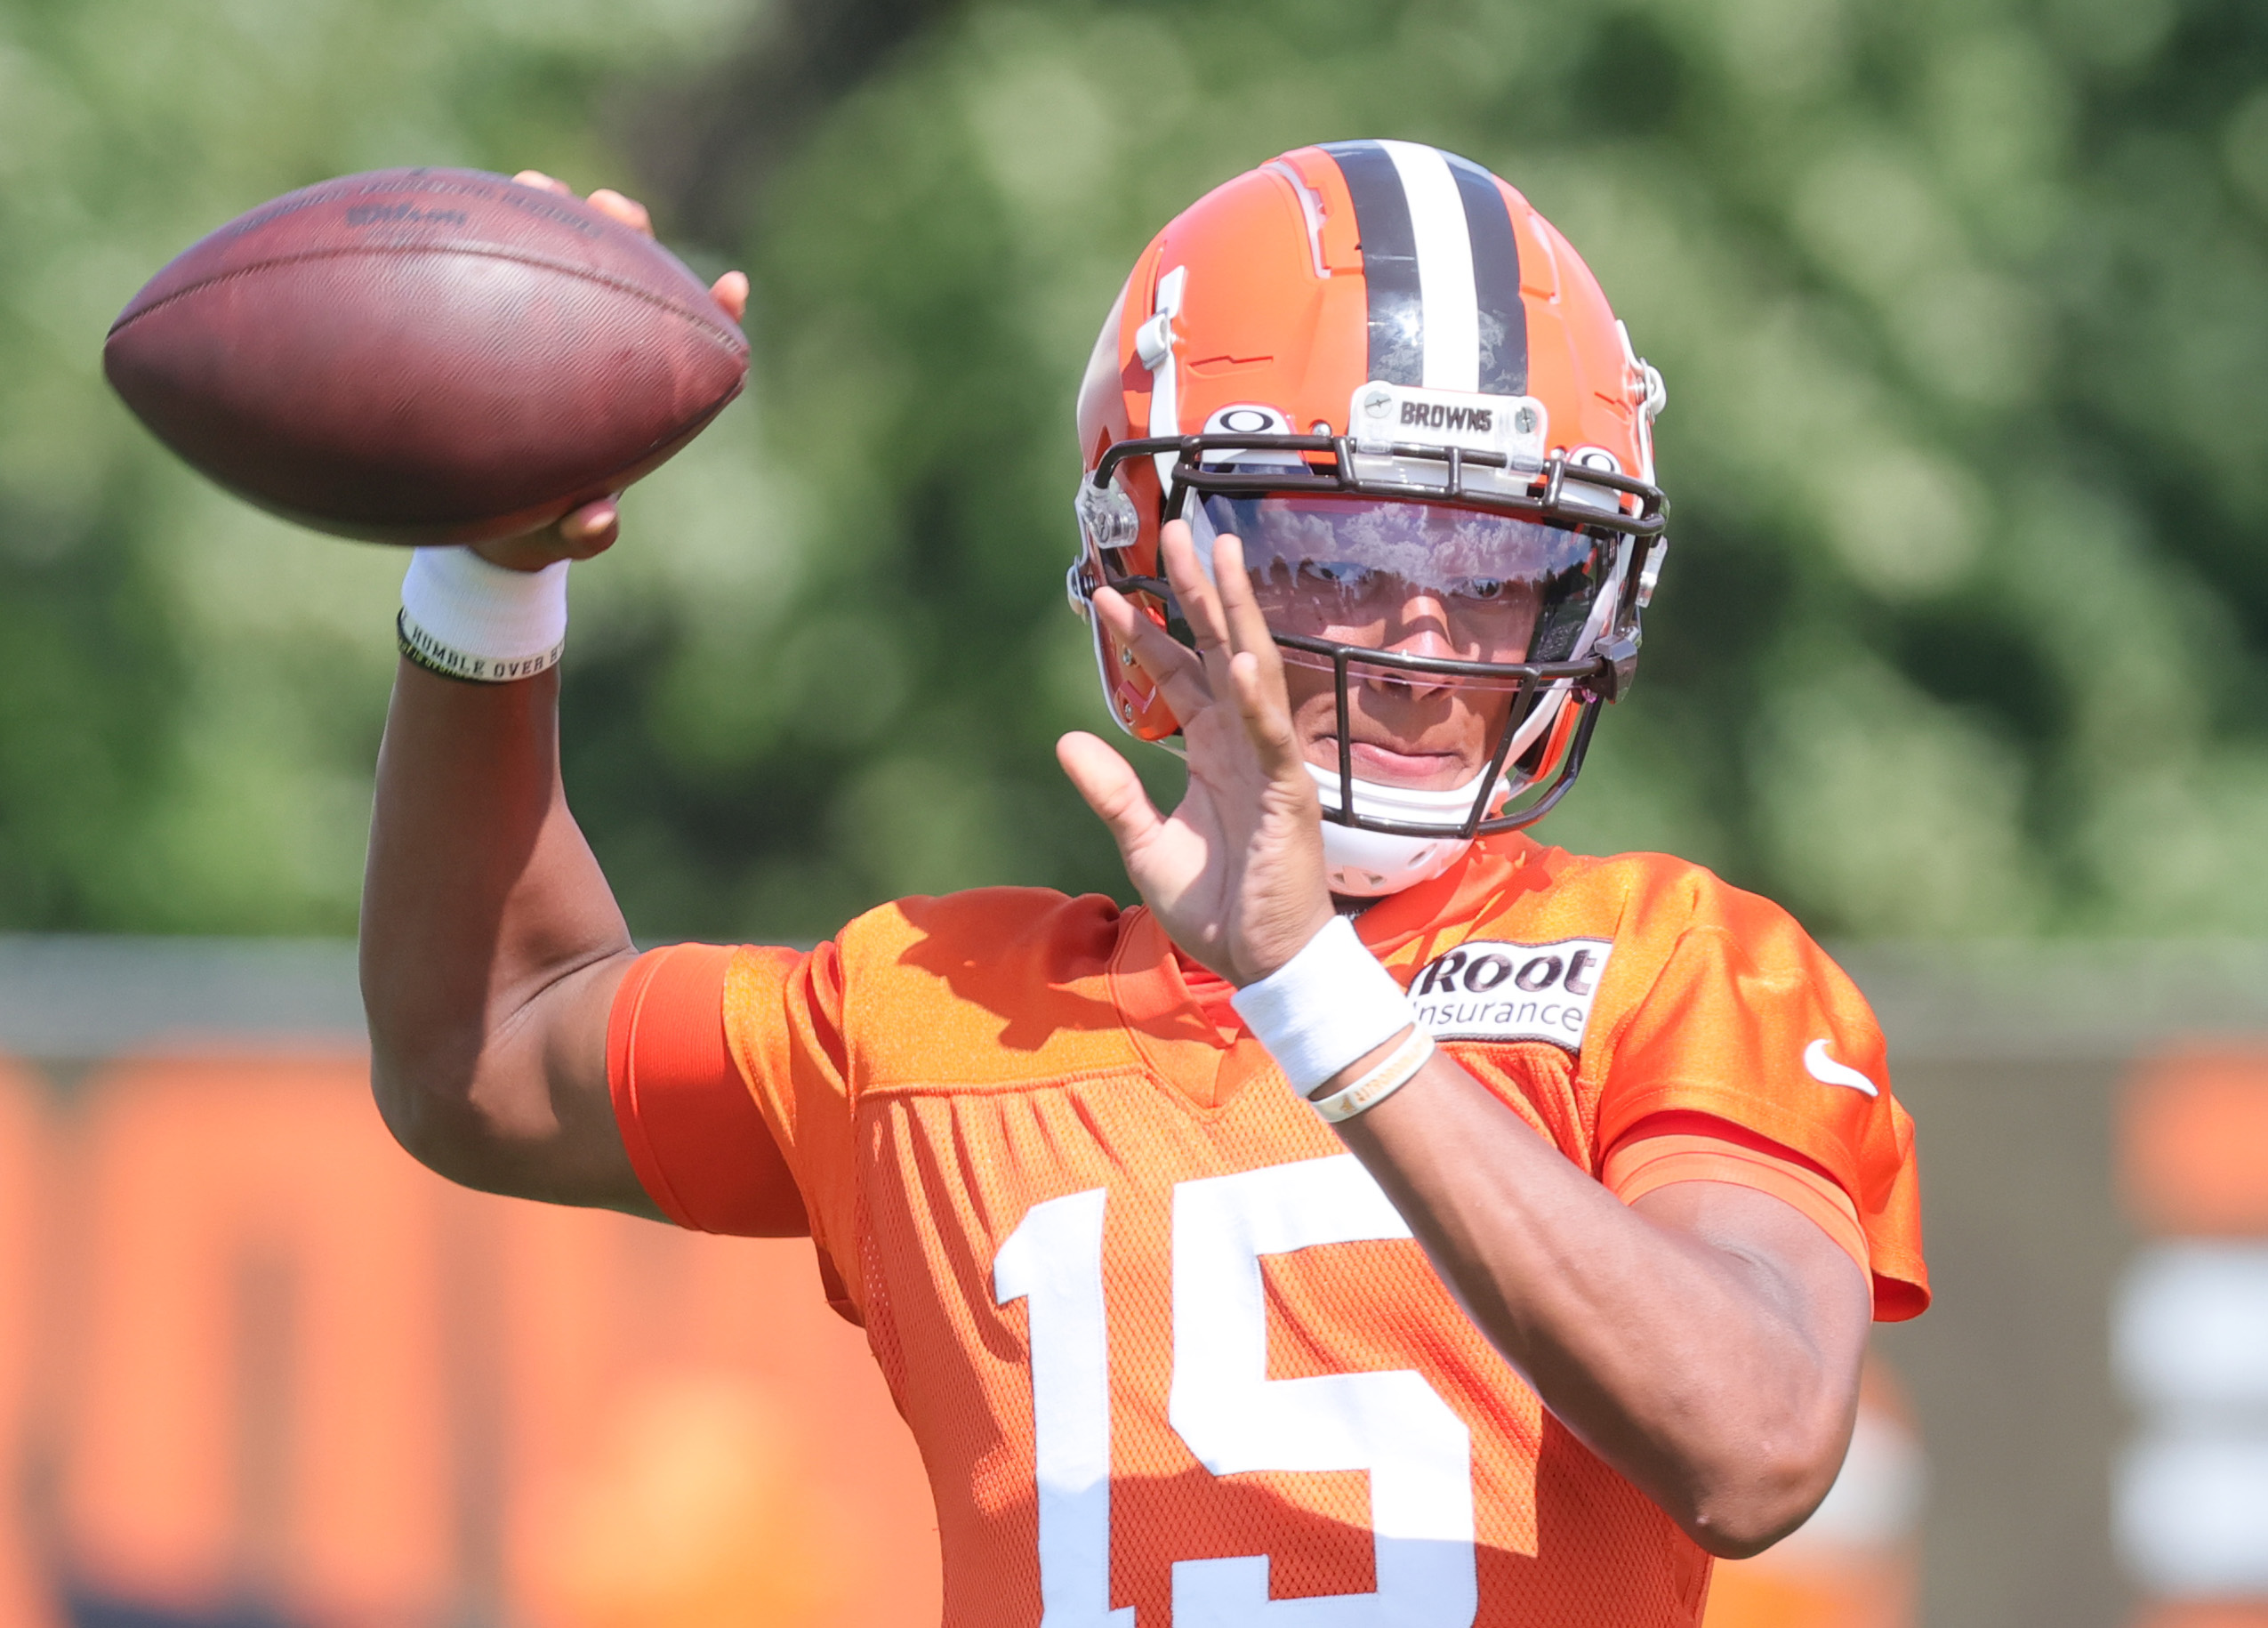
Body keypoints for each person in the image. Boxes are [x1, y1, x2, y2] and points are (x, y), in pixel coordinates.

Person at [363, 145, 1926, 1627]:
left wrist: (1314, 990)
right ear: (1146, 546)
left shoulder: (1670, 964)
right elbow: (481, 1050)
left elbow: (1755, 1439)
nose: (1425, 631)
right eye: (1335, 540)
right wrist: (491, 573)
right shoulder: (933, 1016)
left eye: (1489, 556)